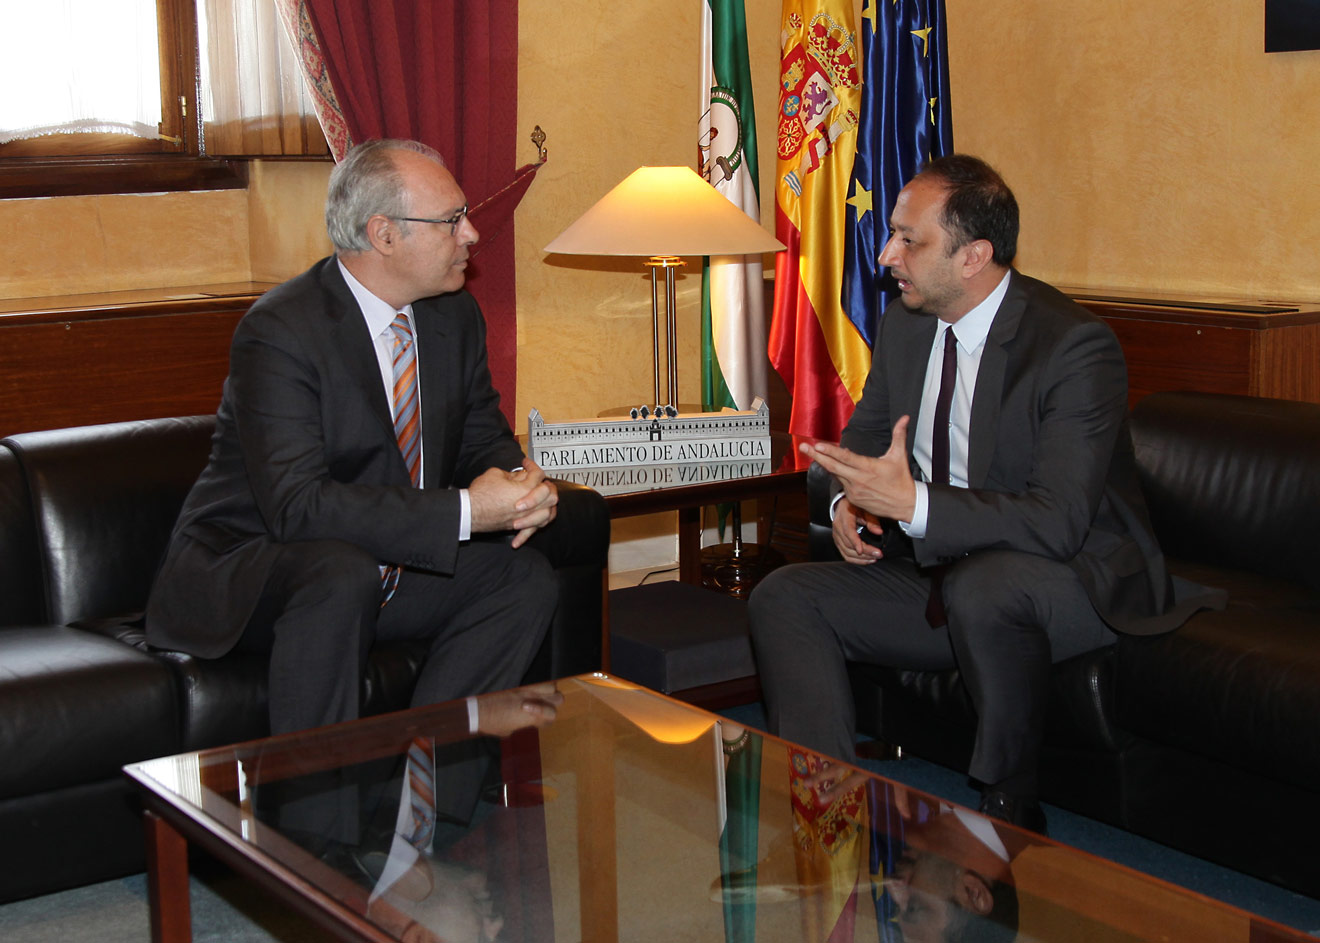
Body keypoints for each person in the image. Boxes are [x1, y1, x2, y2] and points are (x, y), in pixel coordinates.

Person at [749, 154, 1217, 831]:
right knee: (785, 595)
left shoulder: (1072, 347)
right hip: (944, 573)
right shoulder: (906, 325)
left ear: (973, 256)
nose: (886, 255)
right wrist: (849, 502)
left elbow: (1057, 522)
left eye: (909, 240)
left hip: (1075, 580)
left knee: (986, 587)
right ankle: (826, 813)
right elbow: (864, 445)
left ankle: (1007, 812)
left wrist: (913, 506)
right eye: (893, 234)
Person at [146, 138, 563, 738]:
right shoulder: (282, 331)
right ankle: (319, 794)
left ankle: (431, 774)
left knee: (520, 578)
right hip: (258, 570)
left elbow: (479, 437)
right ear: (384, 235)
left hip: (383, 566)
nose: (471, 234)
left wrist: (520, 486)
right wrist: (468, 511)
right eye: (451, 220)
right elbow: (297, 508)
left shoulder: (452, 316)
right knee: (340, 574)